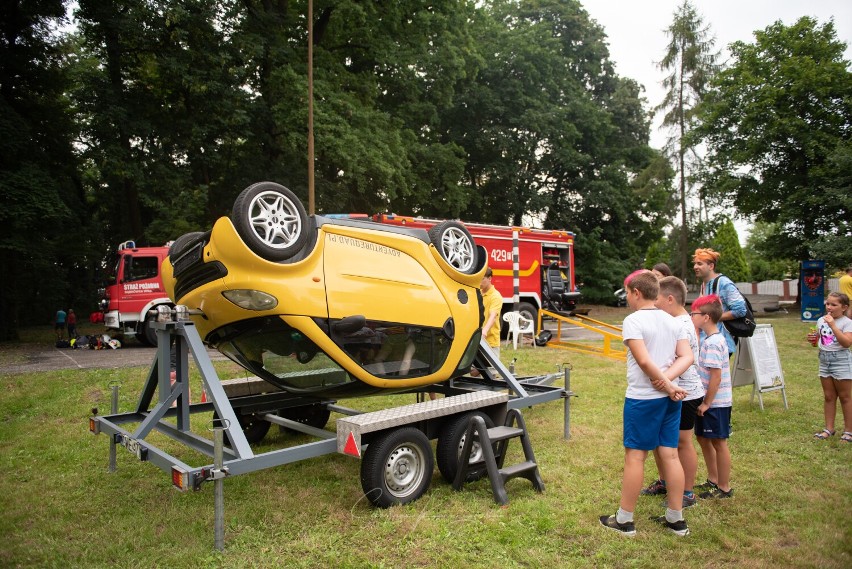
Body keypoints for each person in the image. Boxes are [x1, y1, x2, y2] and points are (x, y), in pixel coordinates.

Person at [600, 270, 692, 537]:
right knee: (670, 455)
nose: (628, 298)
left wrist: (664, 382)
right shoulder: (674, 320)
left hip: (643, 399)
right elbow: (686, 357)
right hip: (669, 399)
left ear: (636, 293)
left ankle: (624, 520)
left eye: (627, 293)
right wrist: (670, 383)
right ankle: (676, 519)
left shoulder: (633, 320)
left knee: (635, 457)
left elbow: (643, 361)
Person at [640, 276, 705, 508]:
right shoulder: (673, 321)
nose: (654, 304)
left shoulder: (683, 324)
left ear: (669, 299)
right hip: (670, 391)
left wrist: (663, 379)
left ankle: (687, 492)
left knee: (681, 443)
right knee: (664, 442)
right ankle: (667, 481)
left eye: (656, 299)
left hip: (684, 392)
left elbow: (686, 359)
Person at [690, 294, 734, 499]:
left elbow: (716, 376)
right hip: (708, 401)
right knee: (703, 438)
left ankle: (724, 487)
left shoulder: (714, 343)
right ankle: (713, 479)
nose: (691, 316)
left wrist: (707, 402)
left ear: (706, 317)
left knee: (718, 442)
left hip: (716, 403)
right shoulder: (708, 339)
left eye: (694, 314)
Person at [807, 292, 852, 442]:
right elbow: (821, 341)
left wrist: (833, 325)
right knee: (829, 396)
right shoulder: (821, 320)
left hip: (841, 360)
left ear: (844, 307)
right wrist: (813, 340)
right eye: (828, 304)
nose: (829, 307)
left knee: (845, 397)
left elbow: (846, 343)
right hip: (824, 359)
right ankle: (829, 429)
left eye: (834, 305)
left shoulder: (847, 322)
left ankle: (848, 431)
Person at [692, 248, 748, 356]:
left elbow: (740, 310)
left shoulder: (724, 283)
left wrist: (714, 317)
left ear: (711, 266)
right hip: (706, 341)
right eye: (695, 264)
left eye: (699, 264)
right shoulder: (704, 285)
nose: (695, 267)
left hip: (720, 343)